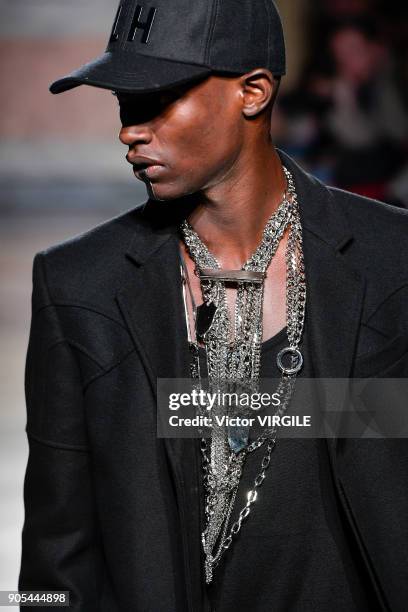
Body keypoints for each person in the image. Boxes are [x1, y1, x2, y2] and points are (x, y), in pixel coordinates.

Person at [18, 1, 408, 611]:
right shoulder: (79, 286)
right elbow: (53, 553)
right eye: (124, 105)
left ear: (252, 92)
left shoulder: (391, 261)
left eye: (156, 99)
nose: (130, 130)